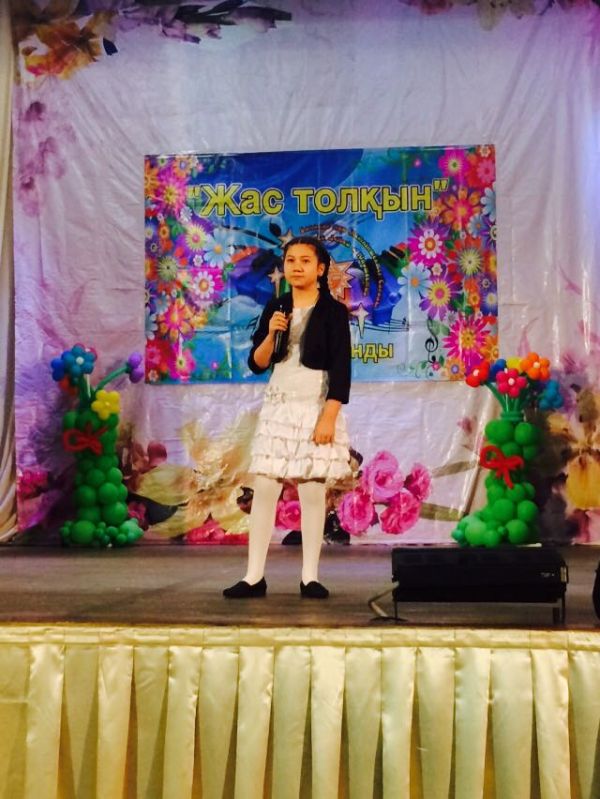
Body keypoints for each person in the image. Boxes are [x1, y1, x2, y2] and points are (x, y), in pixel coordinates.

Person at [223, 236, 352, 599]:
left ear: (320, 269)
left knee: (312, 490)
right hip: (279, 405)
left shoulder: (333, 312)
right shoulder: (277, 307)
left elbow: (341, 369)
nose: (296, 266)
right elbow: (257, 362)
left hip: (314, 404)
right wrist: (272, 333)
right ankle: (253, 577)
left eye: (305, 261)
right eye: (291, 260)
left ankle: (310, 576)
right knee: (265, 488)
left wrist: (329, 416)